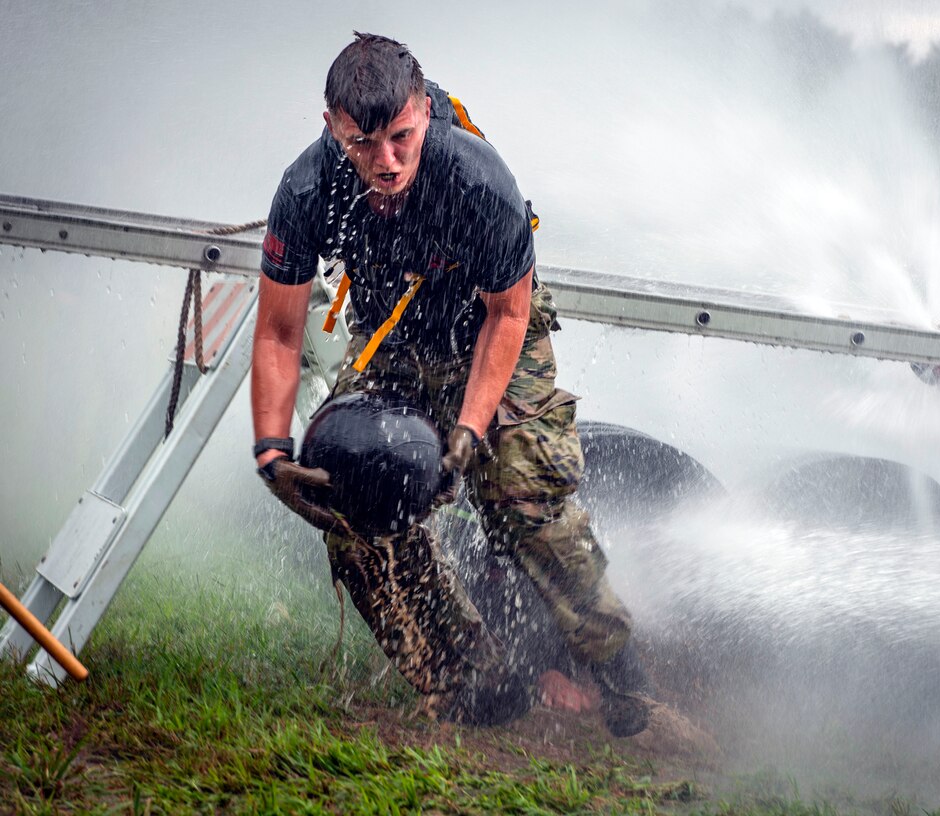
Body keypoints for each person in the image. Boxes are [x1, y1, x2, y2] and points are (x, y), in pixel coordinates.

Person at [250, 32, 652, 736]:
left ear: (423, 114)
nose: (387, 161)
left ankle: (617, 666)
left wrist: (467, 435)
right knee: (352, 491)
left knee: (522, 491)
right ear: (332, 126)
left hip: (491, 331)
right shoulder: (307, 189)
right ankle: (470, 679)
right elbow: (279, 333)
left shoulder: (479, 179)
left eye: (401, 137)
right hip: (395, 338)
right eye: (363, 144)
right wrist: (272, 453)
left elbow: (509, 313)